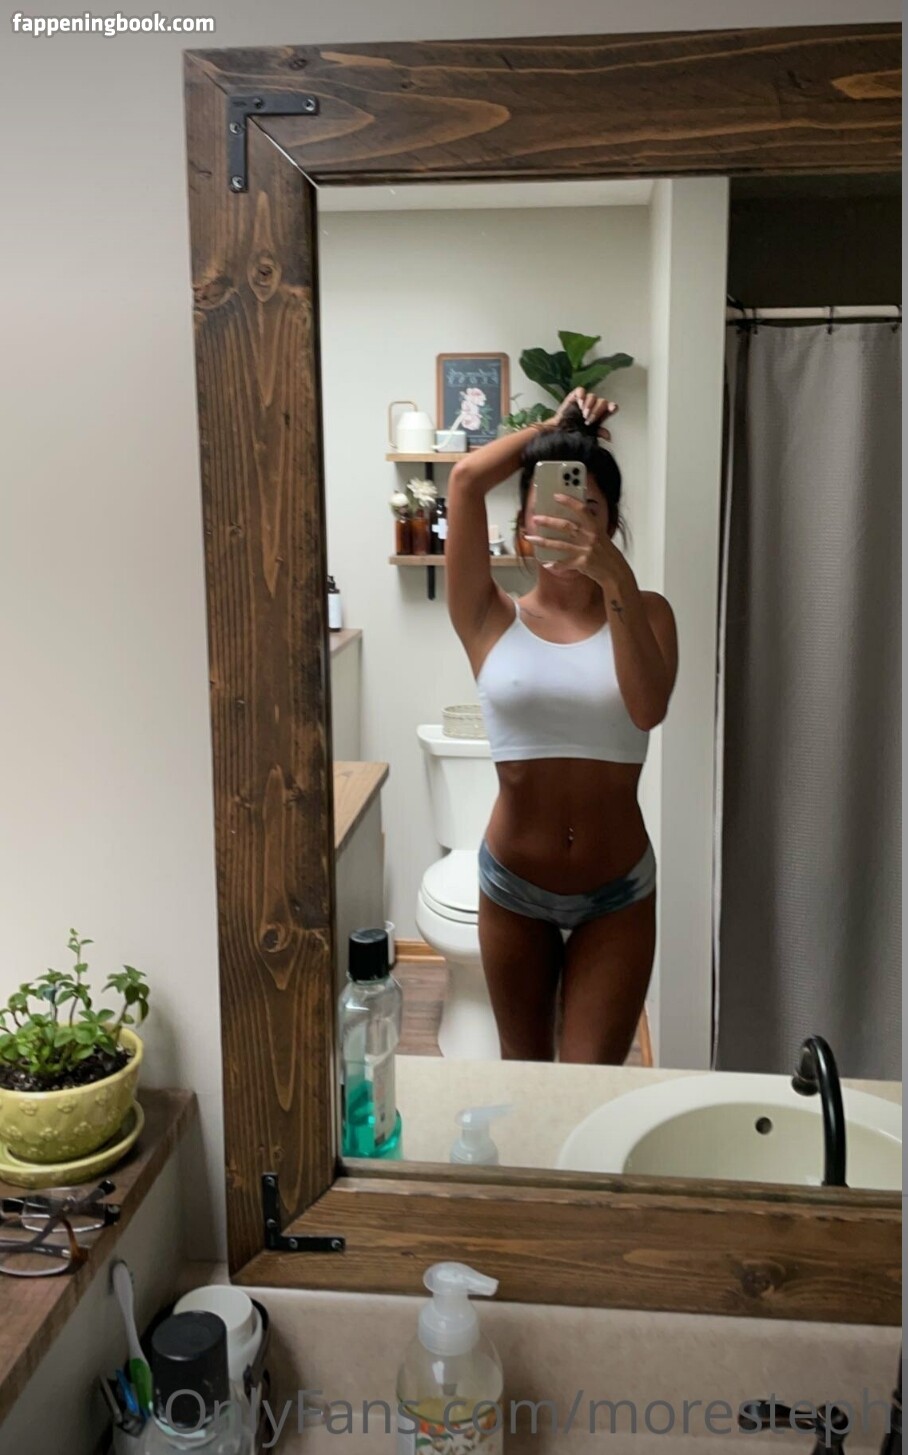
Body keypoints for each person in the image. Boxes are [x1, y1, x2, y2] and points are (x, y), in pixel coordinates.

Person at [445, 388, 678, 1063]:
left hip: (618, 893)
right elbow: (464, 480)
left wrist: (615, 579)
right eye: (546, 509)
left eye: (587, 510)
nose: (566, 523)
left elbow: (647, 709)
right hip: (512, 887)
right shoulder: (490, 615)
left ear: (612, 523)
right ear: (522, 526)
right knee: (524, 1079)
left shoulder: (649, 611)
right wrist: (553, 428)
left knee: (590, 1086)